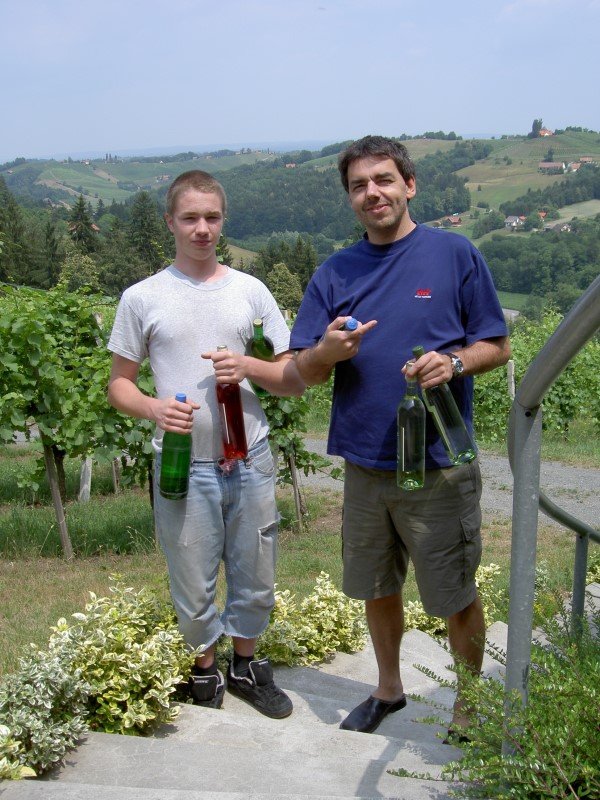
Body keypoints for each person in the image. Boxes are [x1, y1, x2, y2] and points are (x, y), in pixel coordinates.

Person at [290, 135, 510, 739]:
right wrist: (326, 352)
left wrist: (455, 363)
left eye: (383, 179)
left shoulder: (454, 255)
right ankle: (388, 688)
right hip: (366, 464)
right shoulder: (335, 271)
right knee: (376, 586)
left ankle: (468, 704)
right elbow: (303, 369)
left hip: (439, 464)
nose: (372, 193)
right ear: (350, 198)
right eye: (359, 185)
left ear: (409, 185)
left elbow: (496, 344)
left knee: (454, 593)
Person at [107, 170, 304, 718]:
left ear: (223, 221)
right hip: (183, 463)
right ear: (170, 222)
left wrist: (248, 367)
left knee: (256, 570)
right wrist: (153, 407)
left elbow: (290, 376)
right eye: (190, 217)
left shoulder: (251, 292)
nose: (202, 228)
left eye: (211, 217)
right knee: (192, 576)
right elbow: (118, 384)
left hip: (251, 458)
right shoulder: (142, 297)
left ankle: (246, 666)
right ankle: (204, 669)